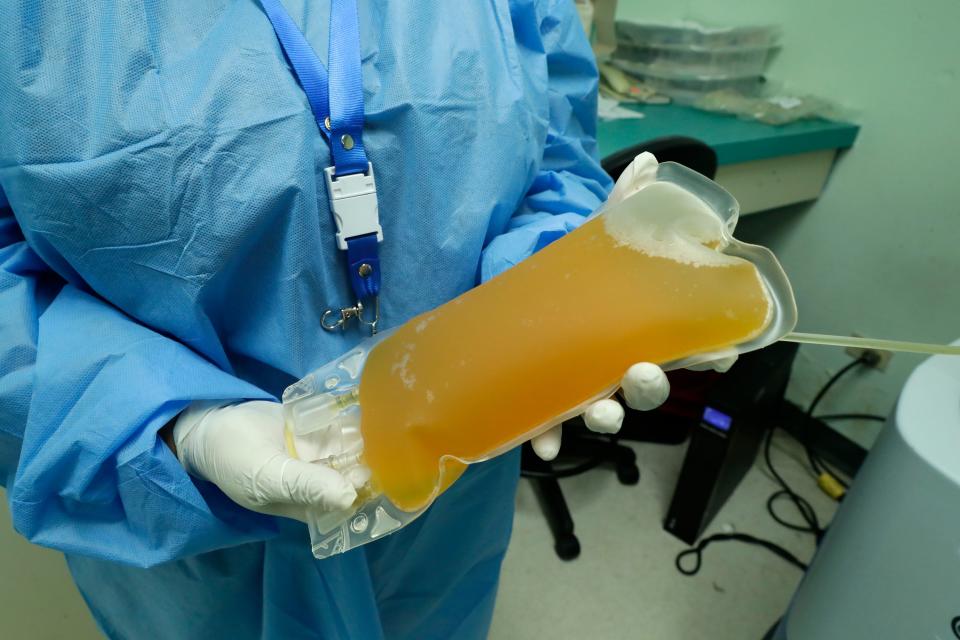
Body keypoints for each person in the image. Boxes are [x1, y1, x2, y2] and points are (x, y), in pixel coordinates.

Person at [0, 2, 714, 638]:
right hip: (188, 535)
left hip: (449, 492)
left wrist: (554, 291)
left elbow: (553, 165)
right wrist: (178, 428)